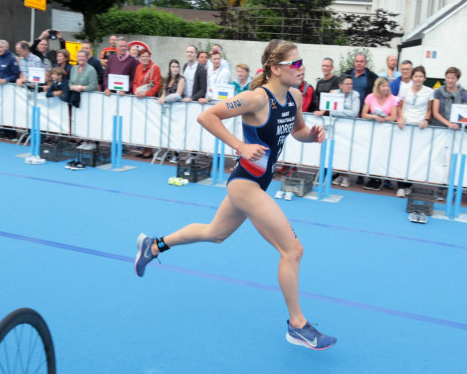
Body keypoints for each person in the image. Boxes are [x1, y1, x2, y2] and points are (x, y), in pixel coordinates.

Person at [134, 39, 336, 351]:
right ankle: (297, 325)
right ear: (275, 68)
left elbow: (296, 131)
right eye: (295, 63)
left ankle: (154, 245)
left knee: (214, 233)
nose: (301, 68)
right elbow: (207, 116)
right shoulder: (255, 98)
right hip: (245, 184)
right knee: (293, 250)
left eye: (301, 62)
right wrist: (239, 146)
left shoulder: (295, 96)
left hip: (259, 182)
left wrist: (311, 135)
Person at [314, 74, 360, 187]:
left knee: (345, 152)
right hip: (334, 128)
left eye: (351, 84)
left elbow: (354, 113)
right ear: (340, 85)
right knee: (330, 150)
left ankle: (345, 176)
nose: (350, 86)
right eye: (347, 84)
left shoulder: (355, 95)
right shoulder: (334, 93)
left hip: (349, 128)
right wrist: (323, 112)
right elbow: (328, 108)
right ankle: (324, 174)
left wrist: (338, 110)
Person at [396, 66, 434, 198]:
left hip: (419, 128)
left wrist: (426, 120)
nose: (418, 78)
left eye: (420, 76)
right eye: (416, 76)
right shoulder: (405, 90)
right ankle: (400, 186)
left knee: (414, 157)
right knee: (402, 156)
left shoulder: (429, 91)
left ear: (424, 78)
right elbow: (399, 107)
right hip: (405, 127)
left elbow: (429, 109)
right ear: (412, 77)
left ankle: (409, 185)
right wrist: (400, 118)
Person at [361, 77, 399, 190]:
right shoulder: (370, 97)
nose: (386, 88)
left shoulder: (392, 99)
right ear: (378, 87)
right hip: (372, 131)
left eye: (387, 86)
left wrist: (383, 118)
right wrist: (374, 116)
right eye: (383, 86)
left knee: (383, 154)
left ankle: (380, 178)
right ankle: (372, 178)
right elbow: (363, 114)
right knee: (372, 153)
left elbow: (393, 117)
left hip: (386, 131)